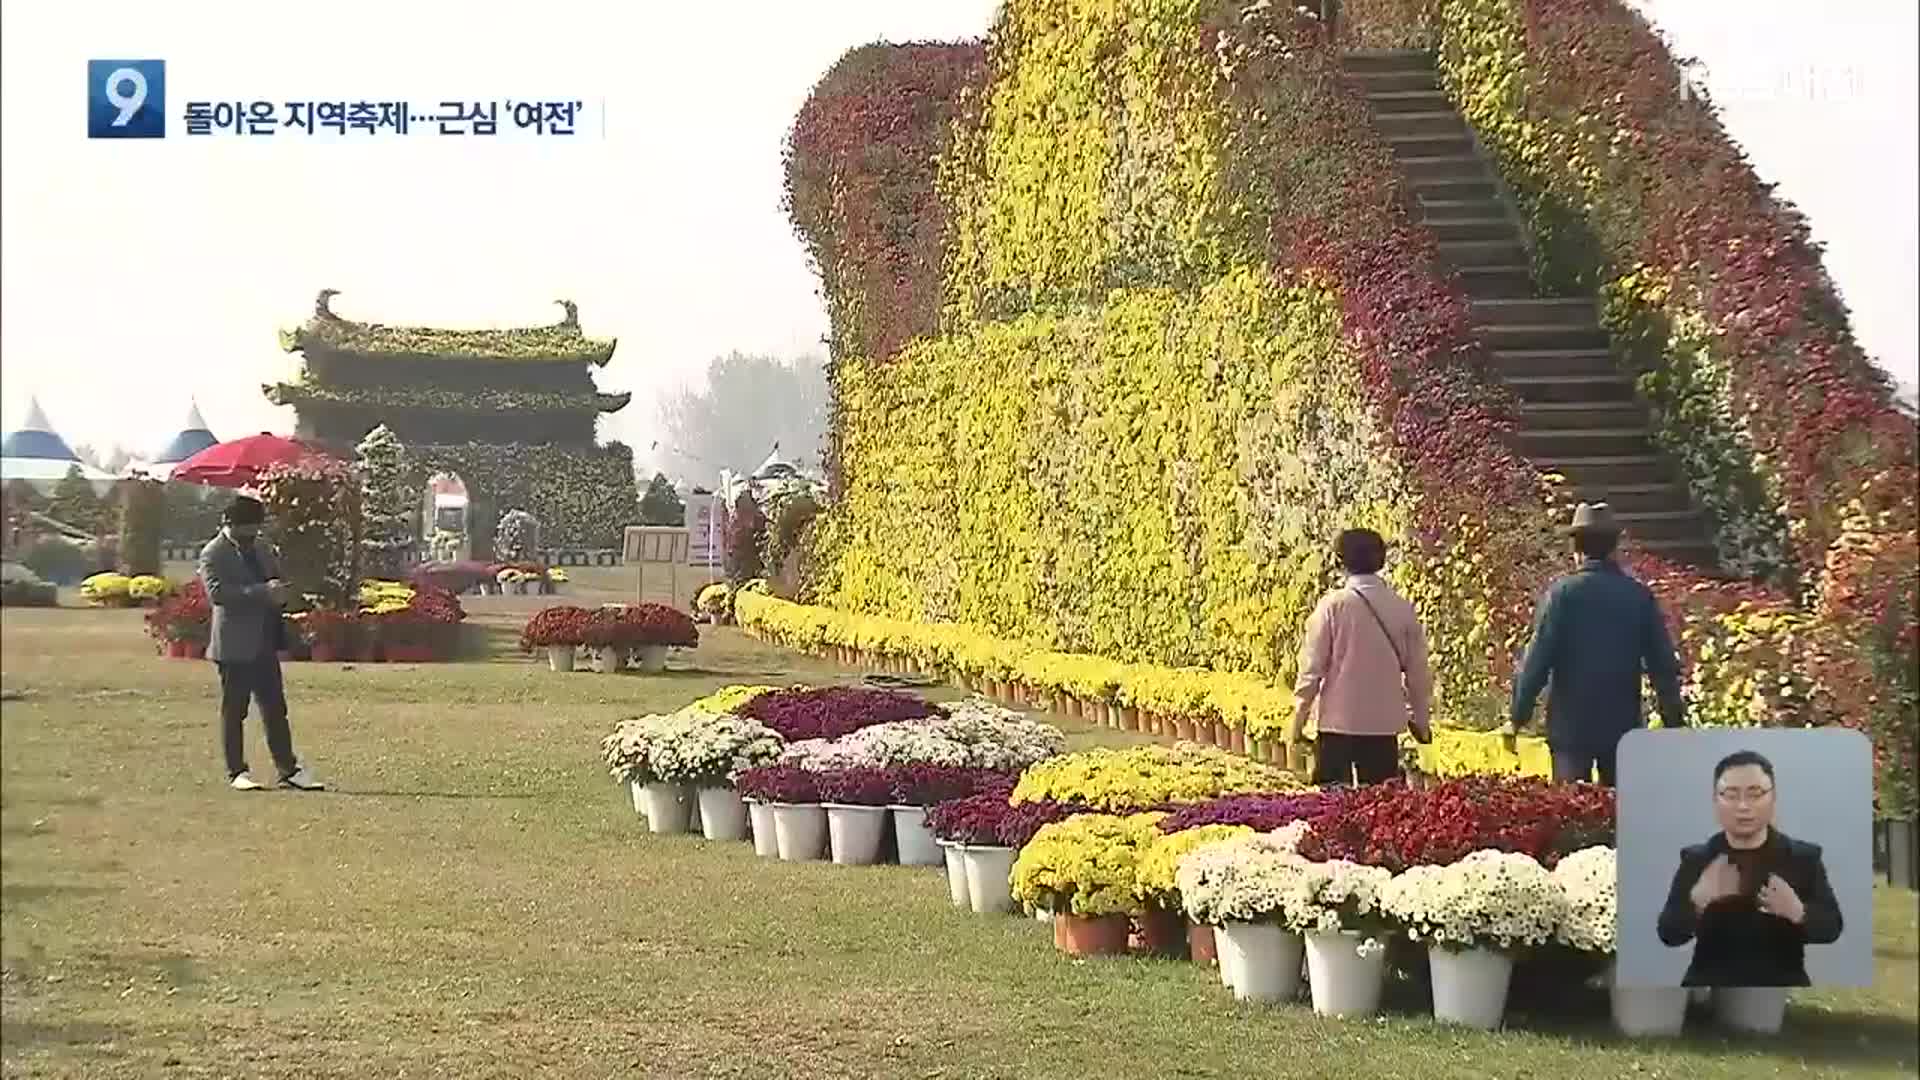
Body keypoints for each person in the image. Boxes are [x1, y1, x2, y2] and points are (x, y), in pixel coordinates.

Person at [1507, 502, 1682, 786]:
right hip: (1622, 727)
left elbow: (1536, 662)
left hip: (1570, 730)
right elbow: (1662, 666)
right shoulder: (1638, 597)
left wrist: (1517, 716)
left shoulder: (1562, 595)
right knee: (1620, 815)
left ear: (1577, 551)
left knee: (1573, 815)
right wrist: (1673, 720)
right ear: (1614, 548)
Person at [1656, 750, 1842, 986]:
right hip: (1709, 985)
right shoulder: (1698, 860)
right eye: (1731, 795)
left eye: (1755, 794)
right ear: (1715, 801)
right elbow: (1669, 934)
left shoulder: (1803, 858)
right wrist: (1699, 901)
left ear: (1773, 798)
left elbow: (1832, 928)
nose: (1743, 806)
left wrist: (1798, 912)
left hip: (1782, 984)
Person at [1287, 528, 1434, 785]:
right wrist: (1421, 720)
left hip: (1337, 725)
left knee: (1332, 808)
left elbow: (1312, 670)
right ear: (1382, 560)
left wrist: (1298, 720)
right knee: (1381, 808)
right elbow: (1418, 673)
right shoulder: (1401, 608)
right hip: (1384, 727)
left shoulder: (1332, 606)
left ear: (1340, 561)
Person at [199, 495, 325, 792]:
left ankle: (288, 770)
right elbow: (217, 594)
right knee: (235, 711)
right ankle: (236, 771)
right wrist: (260, 592)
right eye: (246, 529)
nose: (251, 535)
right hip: (233, 645)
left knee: (274, 709)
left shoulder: (260, 548)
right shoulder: (213, 554)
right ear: (229, 524)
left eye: (255, 529)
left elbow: (275, 577)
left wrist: (283, 591)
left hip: (264, 641)